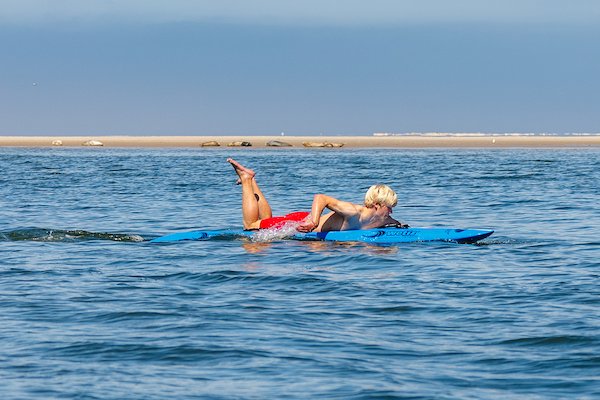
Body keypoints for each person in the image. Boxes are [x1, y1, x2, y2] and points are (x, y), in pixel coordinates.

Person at [227, 158, 407, 232]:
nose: (391, 211)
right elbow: (320, 197)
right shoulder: (353, 212)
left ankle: (252, 181)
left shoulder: (382, 219)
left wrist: (400, 225)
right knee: (251, 226)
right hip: (300, 223)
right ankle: (246, 179)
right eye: (389, 207)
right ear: (376, 204)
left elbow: (393, 222)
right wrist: (313, 221)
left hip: (303, 220)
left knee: (266, 219)